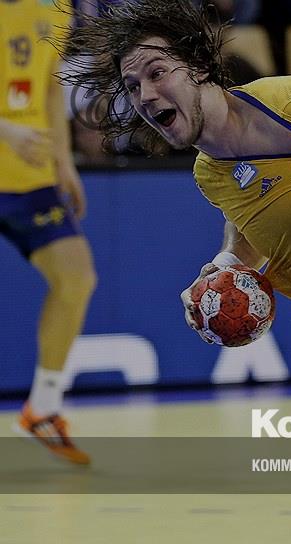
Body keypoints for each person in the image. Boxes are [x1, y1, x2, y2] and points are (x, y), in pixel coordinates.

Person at [1, 0, 96, 465]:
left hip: (31, 177)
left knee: (76, 278)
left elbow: (51, 84)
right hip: (11, 146)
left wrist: (63, 159)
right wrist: (6, 131)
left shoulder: (56, 7)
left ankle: (42, 408)